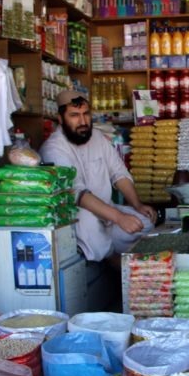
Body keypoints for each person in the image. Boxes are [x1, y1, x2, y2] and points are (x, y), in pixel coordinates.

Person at [40, 90, 156, 265]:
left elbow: (119, 173)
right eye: (74, 115)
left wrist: (137, 204)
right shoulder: (53, 149)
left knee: (145, 222)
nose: (83, 121)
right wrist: (118, 217)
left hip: (107, 212)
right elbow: (76, 194)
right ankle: (113, 263)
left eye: (86, 114)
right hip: (78, 216)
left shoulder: (97, 138)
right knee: (87, 222)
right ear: (60, 118)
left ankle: (120, 253)